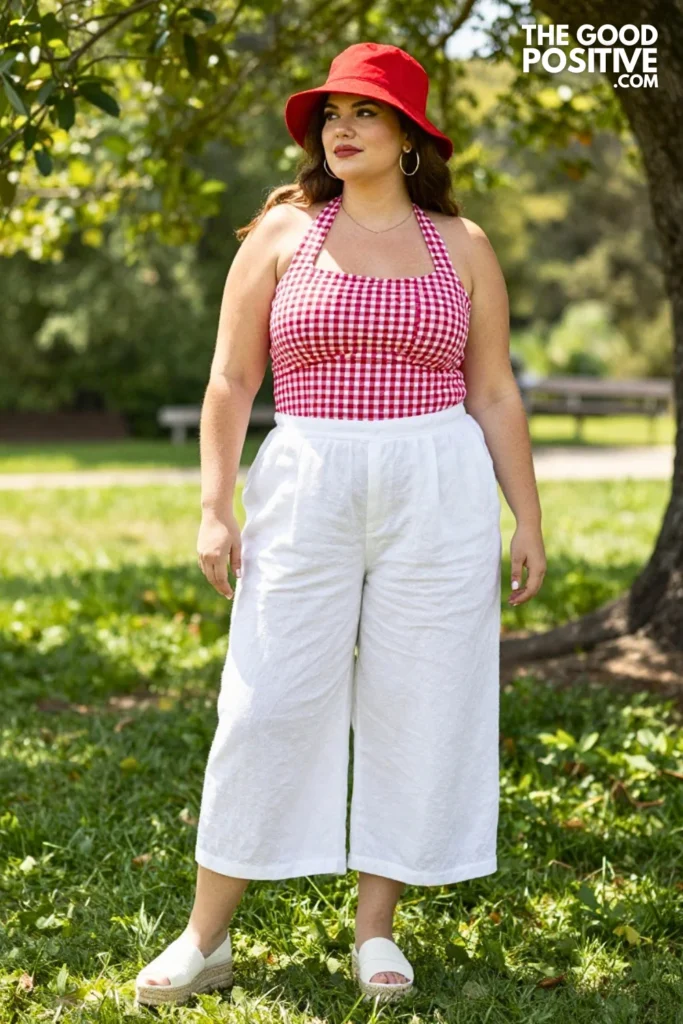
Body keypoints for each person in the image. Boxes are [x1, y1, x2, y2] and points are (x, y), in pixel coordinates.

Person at [134, 41, 546, 1008]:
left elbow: (491, 389)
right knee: (266, 699)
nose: (342, 128)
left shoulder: (466, 245)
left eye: (364, 112)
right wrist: (212, 505)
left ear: (409, 136)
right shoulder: (283, 234)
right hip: (308, 476)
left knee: (422, 699)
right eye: (330, 115)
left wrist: (525, 516)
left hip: (436, 484)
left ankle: (375, 933)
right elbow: (231, 380)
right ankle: (204, 937)